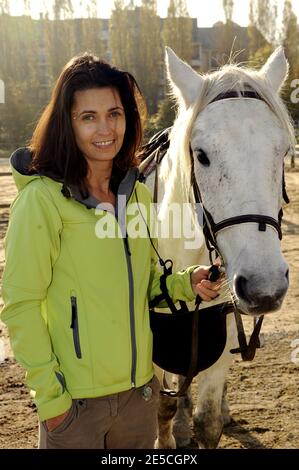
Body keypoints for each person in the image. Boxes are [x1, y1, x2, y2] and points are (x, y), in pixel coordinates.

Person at [0, 53, 222, 449]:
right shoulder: (41, 202)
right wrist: (53, 402)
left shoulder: (135, 194)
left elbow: (145, 282)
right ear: (67, 123)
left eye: (114, 113)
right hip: (75, 406)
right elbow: (21, 305)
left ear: (128, 119)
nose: (105, 129)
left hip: (139, 400)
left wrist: (188, 283)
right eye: (88, 117)